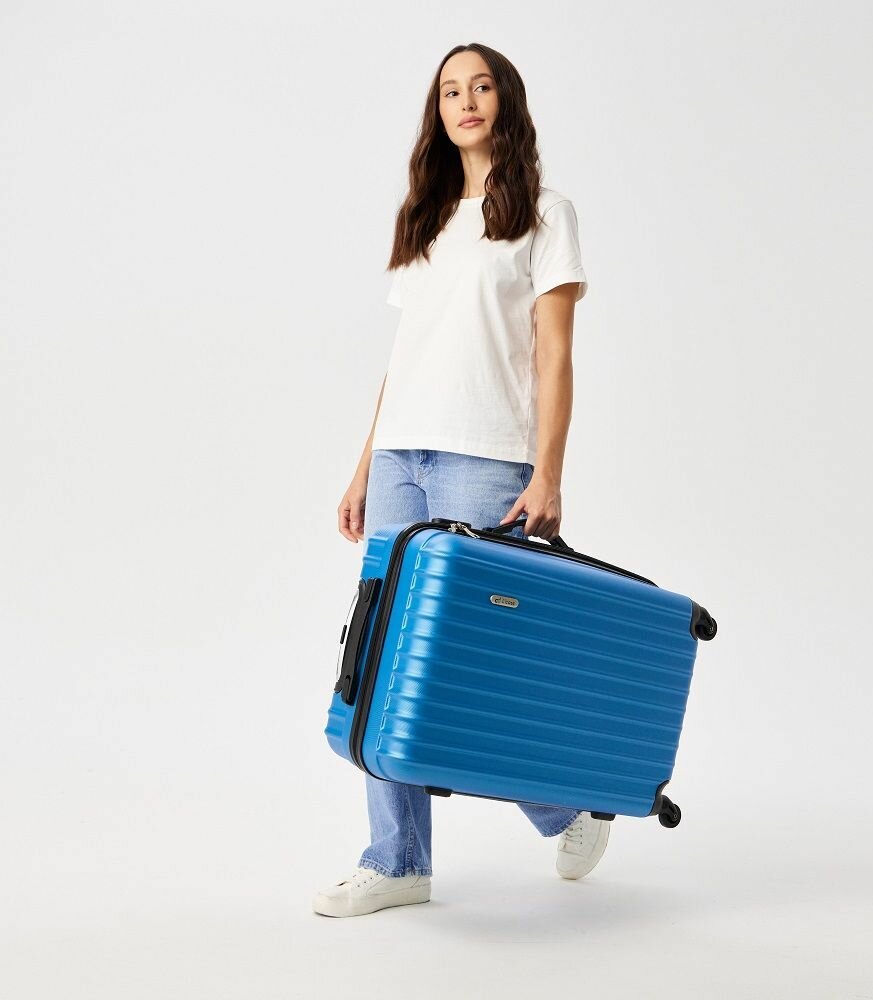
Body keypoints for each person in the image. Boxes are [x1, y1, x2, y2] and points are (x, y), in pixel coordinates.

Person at [313, 42, 610, 919]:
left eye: (480, 86)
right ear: (437, 112)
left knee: (476, 663)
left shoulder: (546, 214)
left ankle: (566, 809)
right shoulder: (427, 216)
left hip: (486, 458)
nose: (465, 100)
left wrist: (549, 472)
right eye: (450, 90)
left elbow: (554, 356)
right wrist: (364, 465)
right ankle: (398, 861)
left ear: (504, 101)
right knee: (383, 659)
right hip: (401, 459)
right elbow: (404, 358)